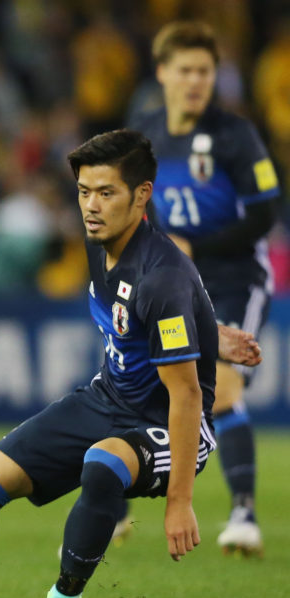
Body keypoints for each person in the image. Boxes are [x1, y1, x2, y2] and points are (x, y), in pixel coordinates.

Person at [0, 129, 262, 598]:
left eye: (106, 193)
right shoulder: (100, 243)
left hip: (168, 424)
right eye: (83, 192)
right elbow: (157, 322)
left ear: (142, 195)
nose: (91, 206)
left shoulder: (162, 276)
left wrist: (180, 501)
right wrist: (214, 335)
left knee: (103, 464)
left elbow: (186, 395)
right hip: (107, 398)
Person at [129, 21, 280, 556]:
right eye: (186, 70)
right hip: (176, 279)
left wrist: (197, 245)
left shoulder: (235, 135)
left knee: (224, 384)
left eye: (206, 71)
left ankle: (243, 514)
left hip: (237, 278)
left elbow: (266, 211)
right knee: (142, 380)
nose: (196, 81)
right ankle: (116, 503)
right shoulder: (144, 132)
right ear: (163, 72)